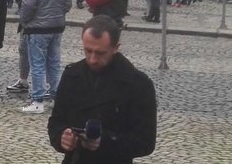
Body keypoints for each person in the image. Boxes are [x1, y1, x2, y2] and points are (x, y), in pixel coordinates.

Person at [49, 15, 156, 163]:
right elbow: (56, 122)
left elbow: (145, 142)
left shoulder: (137, 84)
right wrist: (62, 137)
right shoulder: (72, 75)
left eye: (100, 53)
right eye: (88, 50)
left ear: (115, 48)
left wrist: (104, 142)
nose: (92, 59)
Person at [19, 0, 72, 114]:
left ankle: (37, 100)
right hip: (56, 26)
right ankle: (57, 98)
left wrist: (24, 20)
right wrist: (59, 14)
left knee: (37, 64)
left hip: (37, 27)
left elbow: (29, 3)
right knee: (54, 63)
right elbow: (67, 3)